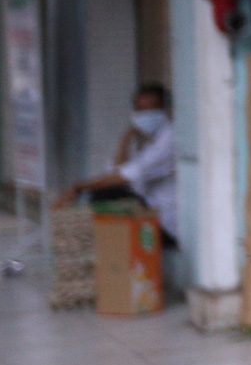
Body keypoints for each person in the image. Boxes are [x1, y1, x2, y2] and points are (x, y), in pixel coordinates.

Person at [58, 82, 178, 247]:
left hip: (167, 220)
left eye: (152, 108)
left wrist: (78, 188)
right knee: (102, 194)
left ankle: (114, 256)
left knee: (104, 196)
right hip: (151, 205)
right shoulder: (153, 140)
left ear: (165, 108)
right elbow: (116, 170)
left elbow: (123, 177)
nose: (145, 114)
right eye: (140, 109)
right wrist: (127, 137)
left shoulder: (169, 139)